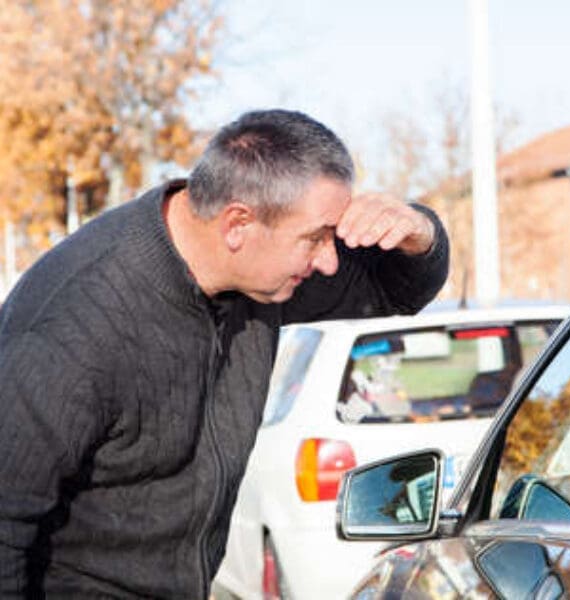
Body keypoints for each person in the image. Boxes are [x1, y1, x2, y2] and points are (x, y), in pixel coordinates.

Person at [0, 109, 448, 598]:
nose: (328, 259)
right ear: (238, 224)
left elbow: (390, 289)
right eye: (316, 237)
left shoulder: (259, 271)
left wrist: (420, 233)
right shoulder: (74, 321)